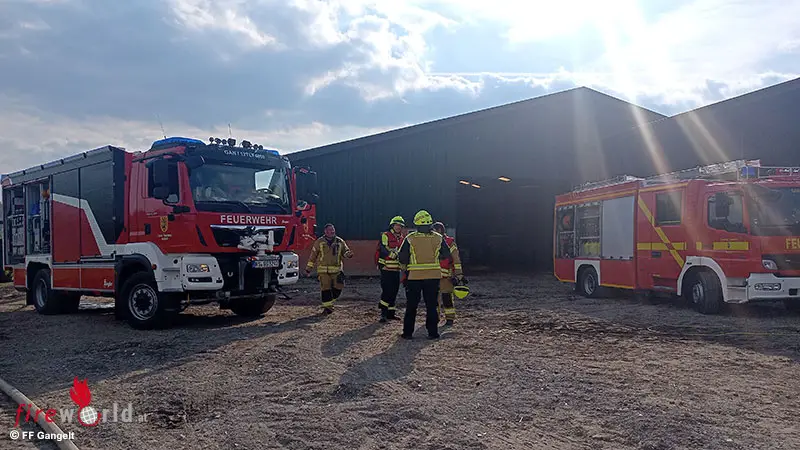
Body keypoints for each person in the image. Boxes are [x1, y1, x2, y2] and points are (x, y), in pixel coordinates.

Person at [397, 210, 451, 339]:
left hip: (414, 277)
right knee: (432, 305)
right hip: (433, 276)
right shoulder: (438, 237)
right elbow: (446, 254)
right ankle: (433, 333)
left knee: (412, 306)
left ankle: (408, 333)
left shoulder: (410, 238)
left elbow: (402, 258)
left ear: (416, 224)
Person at [305, 223, 354, 314]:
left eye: (332, 230)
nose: (331, 232)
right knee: (326, 289)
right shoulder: (319, 242)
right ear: (325, 231)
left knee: (339, 287)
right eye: (329, 230)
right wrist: (309, 268)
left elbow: (345, 251)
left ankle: (330, 301)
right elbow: (313, 255)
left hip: (337, 270)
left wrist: (348, 254)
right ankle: (328, 308)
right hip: (323, 271)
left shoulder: (340, 241)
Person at [432, 222, 466, 327]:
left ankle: (450, 318)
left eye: (435, 230)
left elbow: (456, 259)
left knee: (446, 297)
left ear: (440, 231)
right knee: (433, 298)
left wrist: (459, 274)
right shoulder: (431, 242)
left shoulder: (449, 243)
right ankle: (434, 317)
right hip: (432, 275)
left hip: (446, 276)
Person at [376, 216, 407, 322]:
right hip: (386, 268)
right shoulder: (385, 235)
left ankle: (391, 313)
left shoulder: (402, 238)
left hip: (396, 269)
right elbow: (383, 248)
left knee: (394, 291)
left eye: (400, 226)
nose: (398, 227)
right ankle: (383, 314)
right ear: (392, 226)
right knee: (387, 291)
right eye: (397, 225)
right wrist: (391, 254)